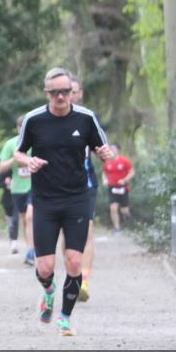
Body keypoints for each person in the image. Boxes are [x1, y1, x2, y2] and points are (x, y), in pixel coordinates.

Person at [14, 68, 112, 336]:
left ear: (72, 93)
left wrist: (105, 154)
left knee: (72, 261)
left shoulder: (86, 118)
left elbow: (104, 150)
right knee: (45, 266)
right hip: (45, 200)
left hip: (76, 199)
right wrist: (28, 160)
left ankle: (65, 318)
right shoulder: (34, 120)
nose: (60, 96)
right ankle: (48, 291)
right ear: (47, 93)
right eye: (55, 92)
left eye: (65, 92)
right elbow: (18, 153)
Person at [70, 75, 97, 302]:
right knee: (67, 236)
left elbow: (101, 146)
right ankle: (73, 275)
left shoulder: (88, 118)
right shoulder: (47, 118)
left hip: (86, 184)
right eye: (67, 90)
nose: (71, 95)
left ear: (80, 93)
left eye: (75, 91)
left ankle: (84, 280)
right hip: (59, 186)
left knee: (87, 231)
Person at [0, 115, 34, 265]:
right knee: (25, 220)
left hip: (36, 186)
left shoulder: (37, 142)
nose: (23, 130)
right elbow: (1, 167)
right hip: (18, 189)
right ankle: (31, 248)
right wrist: (15, 158)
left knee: (30, 217)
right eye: (21, 127)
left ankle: (31, 252)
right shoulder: (10, 144)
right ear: (17, 128)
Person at [102, 143, 135, 232]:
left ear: (118, 150)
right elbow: (104, 173)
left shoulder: (124, 161)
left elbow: (132, 172)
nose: (112, 150)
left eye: (114, 149)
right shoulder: (107, 162)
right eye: (110, 149)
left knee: (124, 210)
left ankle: (129, 220)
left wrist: (124, 180)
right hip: (112, 188)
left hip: (123, 187)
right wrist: (104, 180)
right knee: (113, 208)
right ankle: (117, 227)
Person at [0, 167, 18, 254]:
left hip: (18, 198)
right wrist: (5, 183)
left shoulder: (20, 169)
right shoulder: (5, 171)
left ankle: (14, 243)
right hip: (7, 199)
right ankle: (12, 241)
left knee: (15, 220)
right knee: (11, 222)